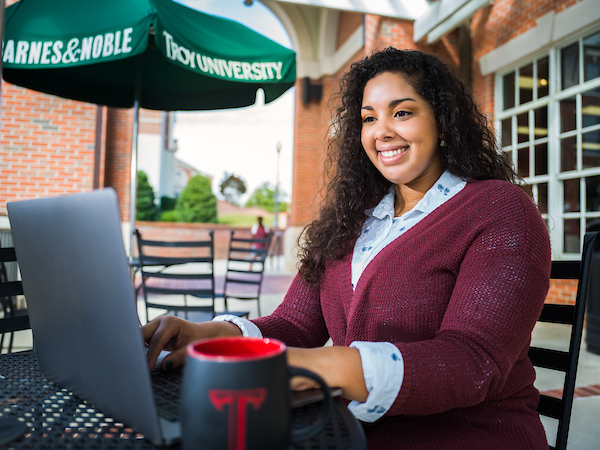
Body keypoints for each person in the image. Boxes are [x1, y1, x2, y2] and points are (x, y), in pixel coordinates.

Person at [143, 47, 551, 449]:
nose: (381, 131)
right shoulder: (352, 221)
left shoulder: (498, 208)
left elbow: (472, 362)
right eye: (368, 118)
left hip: (469, 437)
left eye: (402, 112)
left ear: (443, 122)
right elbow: (296, 326)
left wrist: (321, 365)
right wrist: (210, 336)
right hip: (346, 432)